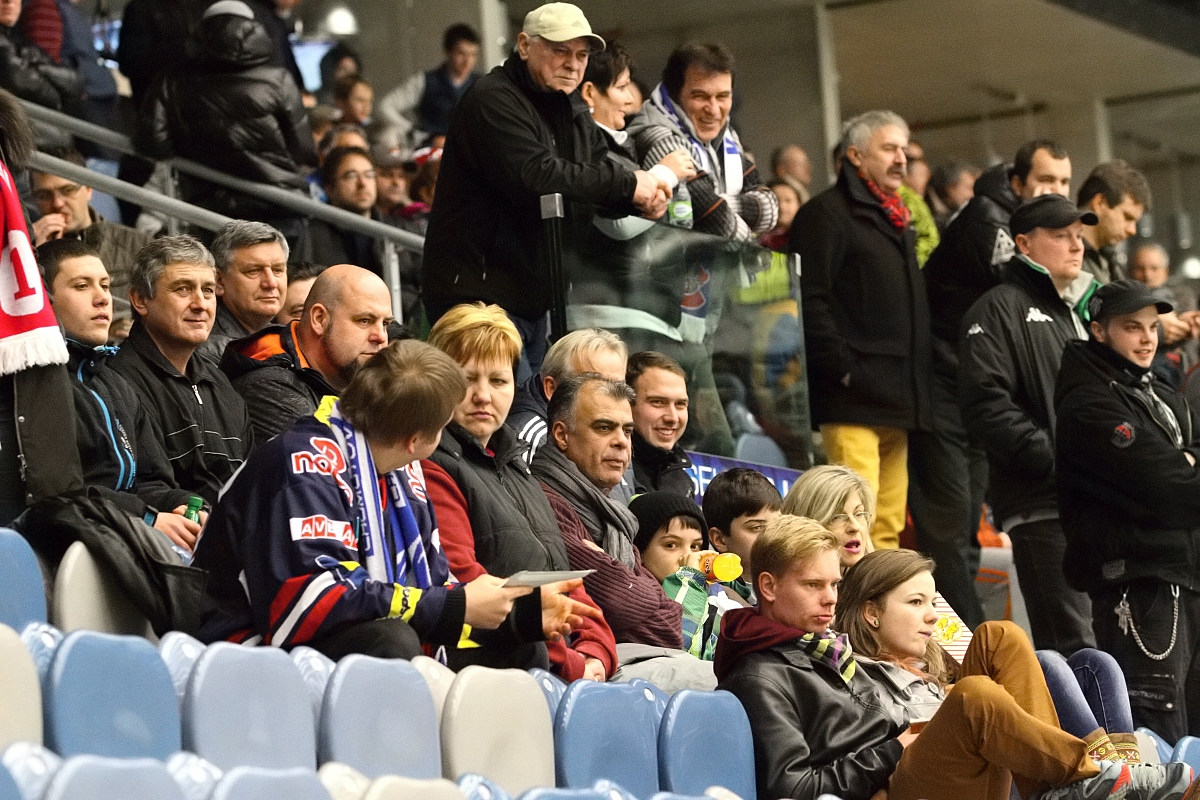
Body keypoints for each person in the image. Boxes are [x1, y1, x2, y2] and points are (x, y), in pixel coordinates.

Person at [713, 516, 1193, 800]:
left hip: (912, 761)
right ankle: (1094, 776)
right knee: (975, 695)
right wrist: (892, 749)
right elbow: (792, 789)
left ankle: (1065, 788)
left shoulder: (822, 645)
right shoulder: (761, 672)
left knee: (999, 636)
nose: (829, 598)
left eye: (835, 584)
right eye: (813, 585)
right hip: (885, 784)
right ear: (768, 586)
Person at [193, 335, 602, 660]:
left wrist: (516, 613)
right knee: (390, 642)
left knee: (520, 646)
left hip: (340, 638)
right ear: (415, 440)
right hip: (246, 650)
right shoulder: (304, 463)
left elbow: (434, 587)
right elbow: (311, 601)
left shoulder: (402, 472)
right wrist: (456, 604)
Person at [423, 2, 669, 379]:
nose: (573, 64)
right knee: (503, 410)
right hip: (478, 303)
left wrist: (638, 200)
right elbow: (537, 175)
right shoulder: (492, 98)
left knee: (537, 409)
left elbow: (594, 173)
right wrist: (629, 185)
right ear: (524, 46)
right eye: (560, 51)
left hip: (535, 302)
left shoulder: (570, 105)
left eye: (582, 55)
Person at [912, 139, 1071, 629]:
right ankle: (964, 649)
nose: (1055, 189)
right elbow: (1019, 285)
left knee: (967, 532)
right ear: (1018, 183)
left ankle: (970, 643)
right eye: (1045, 180)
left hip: (969, 387)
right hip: (940, 387)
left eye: (1064, 182)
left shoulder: (1010, 219)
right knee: (948, 531)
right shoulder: (987, 218)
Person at [421, 303, 617, 679]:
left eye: (498, 381)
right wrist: (573, 664)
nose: (483, 395)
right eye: (467, 379)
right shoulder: (433, 468)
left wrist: (596, 654)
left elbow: (568, 581)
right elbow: (469, 587)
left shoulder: (521, 470)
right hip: (494, 671)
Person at [837, 550, 1144, 781]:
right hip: (941, 766)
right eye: (843, 514)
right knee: (1042, 662)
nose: (855, 525)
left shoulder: (916, 599)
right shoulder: (844, 665)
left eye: (862, 512)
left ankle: (1121, 776)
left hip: (975, 742)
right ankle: (1100, 775)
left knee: (1094, 664)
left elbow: (974, 651)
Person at [1056, 278, 1200, 741]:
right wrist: (1180, 465)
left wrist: (1184, 463)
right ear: (1099, 331)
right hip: (1138, 587)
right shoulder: (1088, 403)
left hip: (1181, 576)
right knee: (1157, 739)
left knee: (1191, 740)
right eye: (1132, 327)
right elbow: (1171, 488)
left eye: (1153, 327)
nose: (1147, 339)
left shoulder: (1157, 391)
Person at [959, 193, 1100, 655]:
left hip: (1091, 504)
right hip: (1042, 505)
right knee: (1074, 645)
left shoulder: (1076, 312)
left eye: (1079, 236)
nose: (1076, 246)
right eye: (1061, 235)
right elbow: (985, 405)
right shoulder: (996, 309)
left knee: (1104, 645)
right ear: (1023, 243)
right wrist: (1054, 460)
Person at [792, 109, 931, 552]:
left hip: (898, 399)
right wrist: (843, 369)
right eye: (888, 149)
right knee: (852, 526)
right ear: (855, 155)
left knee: (887, 526)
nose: (901, 159)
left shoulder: (897, 217)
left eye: (903, 150)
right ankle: (848, 597)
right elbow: (810, 298)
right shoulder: (825, 214)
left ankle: (882, 599)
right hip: (851, 398)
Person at [39, 238, 199, 557]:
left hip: (124, 536)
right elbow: (60, 492)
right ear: (45, 300)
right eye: (82, 286)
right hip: (66, 546)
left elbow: (151, 481)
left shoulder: (117, 384)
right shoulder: (34, 387)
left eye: (105, 285)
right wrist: (147, 518)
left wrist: (181, 506)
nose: (103, 298)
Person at [133, 0, 315, 233]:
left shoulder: (171, 81)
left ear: (201, 31)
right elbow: (303, 151)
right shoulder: (279, 79)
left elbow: (152, 144)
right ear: (254, 29)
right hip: (279, 206)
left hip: (208, 210)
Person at [110, 235, 252, 506]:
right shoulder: (118, 381)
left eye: (208, 290)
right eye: (183, 289)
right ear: (140, 300)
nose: (201, 304)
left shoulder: (222, 385)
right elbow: (138, 489)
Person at [626, 41, 778, 243]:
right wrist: (753, 250)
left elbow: (770, 209)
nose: (713, 109)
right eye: (700, 96)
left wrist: (717, 201)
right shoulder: (657, 135)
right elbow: (715, 221)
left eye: (722, 97)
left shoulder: (726, 136)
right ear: (674, 95)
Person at [221, 264, 391, 444]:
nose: (380, 337)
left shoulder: (365, 382)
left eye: (385, 324)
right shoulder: (269, 388)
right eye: (364, 320)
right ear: (319, 319)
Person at [29, 146, 151, 314]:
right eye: (44, 195)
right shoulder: (27, 248)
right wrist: (31, 257)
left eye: (67, 190)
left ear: (88, 189)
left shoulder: (138, 244)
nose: (57, 203)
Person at [630, 491, 745, 661]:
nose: (687, 556)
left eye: (695, 546)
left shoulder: (719, 598)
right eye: (671, 545)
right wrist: (688, 581)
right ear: (639, 552)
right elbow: (674, 649)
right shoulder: (631, 601)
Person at [508, 327, 627, 460]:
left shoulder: (621, 430)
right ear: (552, 389)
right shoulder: (531, 441)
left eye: (619, 387)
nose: (611, 398)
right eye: (597, 387)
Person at [196, 220, 288, 366]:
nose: (271, 283)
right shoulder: (210, 352)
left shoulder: (280, 336)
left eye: (278, 270)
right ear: (219, 281)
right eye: (253, 271)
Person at [374, 23, 481, 148]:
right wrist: (414, 132)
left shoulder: (482, 84)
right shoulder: (425, 81)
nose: (467, 61)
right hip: (431, 150)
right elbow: (384, 106)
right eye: (461, 53)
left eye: (473, 54)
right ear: (447, 51)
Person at [701, 467, 782, 602]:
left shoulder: (794, 583)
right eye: (756, 528)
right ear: (719, 539)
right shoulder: (707, 597)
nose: (772, 536)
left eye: (778, 525)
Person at [782, 463, 876, 571]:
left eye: (859, 514)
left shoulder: (879, 578)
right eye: (836, 517)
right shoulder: (786, 579)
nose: (855, 527)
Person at [626, 351, 693, 498]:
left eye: (680, 404)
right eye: (658, 402)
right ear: (627, 404)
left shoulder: (683, 482)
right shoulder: (612, 471)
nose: (673, 418)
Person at [1076, 161, 1151, 284]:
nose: (1132, 230)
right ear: (1100, 203)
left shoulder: (1110, 261)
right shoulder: (1065, 257)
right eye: (1127, 217)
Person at [0, 0, 79, 111]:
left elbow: (75, 82)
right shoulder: (42, 6)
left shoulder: (17, 38)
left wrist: (38, 68)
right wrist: (58, 98)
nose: (9, 1)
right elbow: (16, 79)